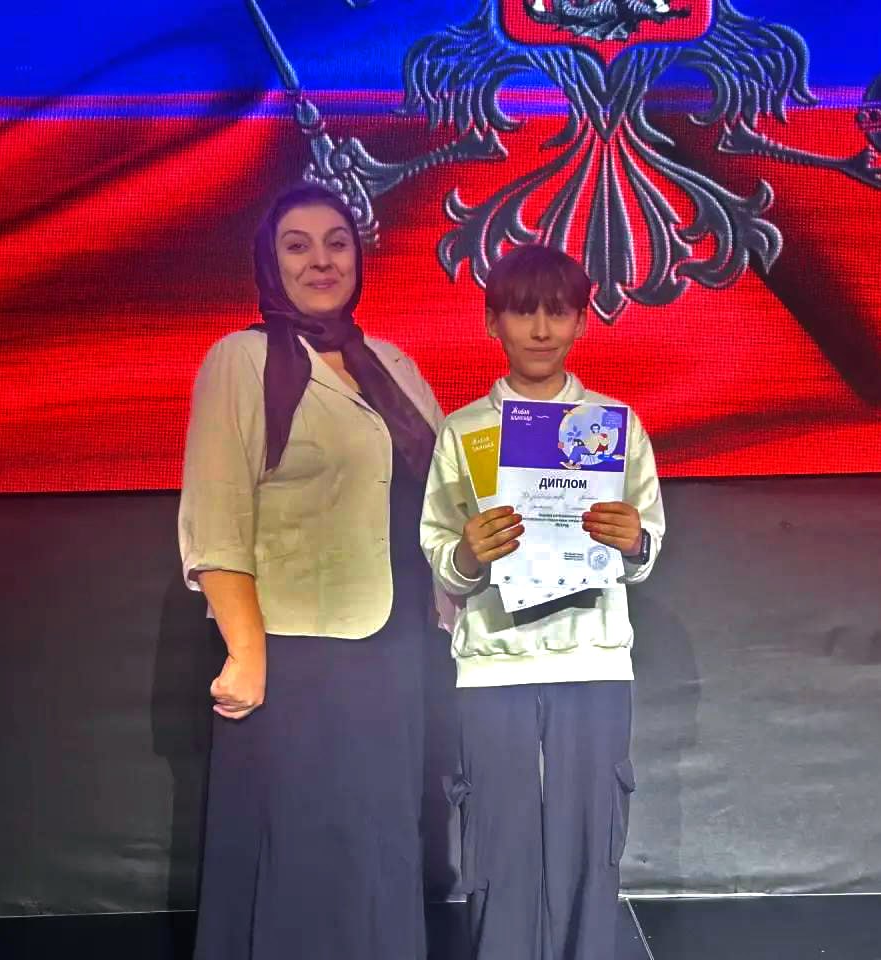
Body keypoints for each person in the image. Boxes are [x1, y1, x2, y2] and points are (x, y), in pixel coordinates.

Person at [179, 183, 444, 959]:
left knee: (379, 836)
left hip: (397, 644)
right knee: (298, 841)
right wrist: (245, 651)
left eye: (336, 242)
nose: (321, 260)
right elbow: (217, 517)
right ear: (270, 261)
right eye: (298, 245)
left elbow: (447, 489)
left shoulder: (393, 364)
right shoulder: (241, 359)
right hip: (293, 651)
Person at [420, 244, 665, 960]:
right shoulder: (464, 431)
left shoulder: (615, 426)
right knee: (497, 844)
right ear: (492, 321)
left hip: (593, 660)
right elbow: (440, 552)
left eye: (557, 313)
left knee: (590, 842)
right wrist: (469, 553)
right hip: (494, 664)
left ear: (582, 322)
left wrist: (633, 540)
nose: (539, 329)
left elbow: (647, 543)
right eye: (522, 312)